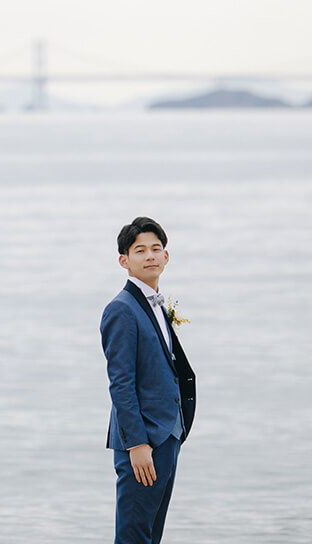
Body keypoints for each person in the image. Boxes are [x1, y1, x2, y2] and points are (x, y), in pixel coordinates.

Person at [100, 217, 196, 544]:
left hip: (168, 434)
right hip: (143, 443)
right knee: (133, 537)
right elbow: (120, 384)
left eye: (157, 249)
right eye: (140, 250)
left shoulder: (154, 303)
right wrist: (137, 444)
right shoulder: (121, 309)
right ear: (124, 261)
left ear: (166, 257)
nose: (150, 256)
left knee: (152, 536)